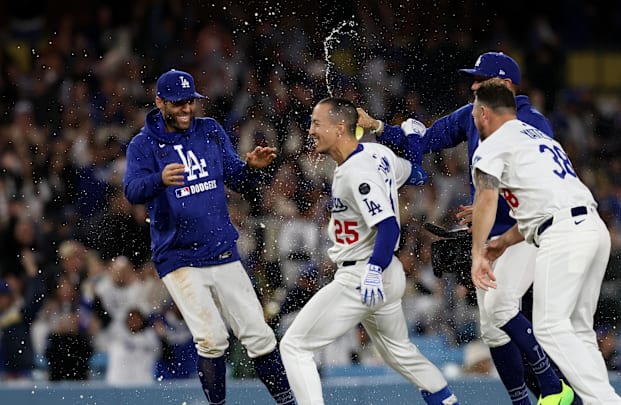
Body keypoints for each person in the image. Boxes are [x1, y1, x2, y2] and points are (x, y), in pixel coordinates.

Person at [358, 51, 577, 405]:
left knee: (515, 317)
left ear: (505, 84)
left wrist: (492, 203)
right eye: (474, 80)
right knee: (493, 328)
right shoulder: (471, 115)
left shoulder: (532, 122)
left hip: (528, 233)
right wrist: (379, 128)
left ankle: (558, 390)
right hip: (494, 238)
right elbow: (423, 140)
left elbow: (544, 187)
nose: (473, 85)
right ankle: (530, 399)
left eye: (481, 80)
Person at [123, 69, 296, 405]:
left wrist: (252, 169)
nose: (186, 109)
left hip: (221, 249)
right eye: (178, 103)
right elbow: (131, 191)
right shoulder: (144, 145)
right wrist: (158, 179)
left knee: (260, 336)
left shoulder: (210, 131)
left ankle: (288, 402)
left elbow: (235, 176)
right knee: (213, 339)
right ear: (160, 103)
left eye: (190, 101)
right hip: (179, 257)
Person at [279, 97, 459, 405]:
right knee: (400, 354)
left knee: (294, 346)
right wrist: (413, 137)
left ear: (340, 128)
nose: (310, 131)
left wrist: (372, 272)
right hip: (386, 272)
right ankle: (446, 401)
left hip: (364, 272)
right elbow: (417, 174)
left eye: (317, 123)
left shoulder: (356, 171)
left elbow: (388, 227)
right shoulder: (377, 153)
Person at [469, 78, 621, 404]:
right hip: (591, 228)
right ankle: (605, 399)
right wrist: (504, 241)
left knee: (549, 328)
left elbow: (486, 198)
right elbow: (543, 206)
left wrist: (477, 253)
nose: (473, 119)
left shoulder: (493, 143)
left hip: (564, 234)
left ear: (484, 113)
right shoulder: (538, 138)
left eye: (474, 111)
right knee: (579, 331)